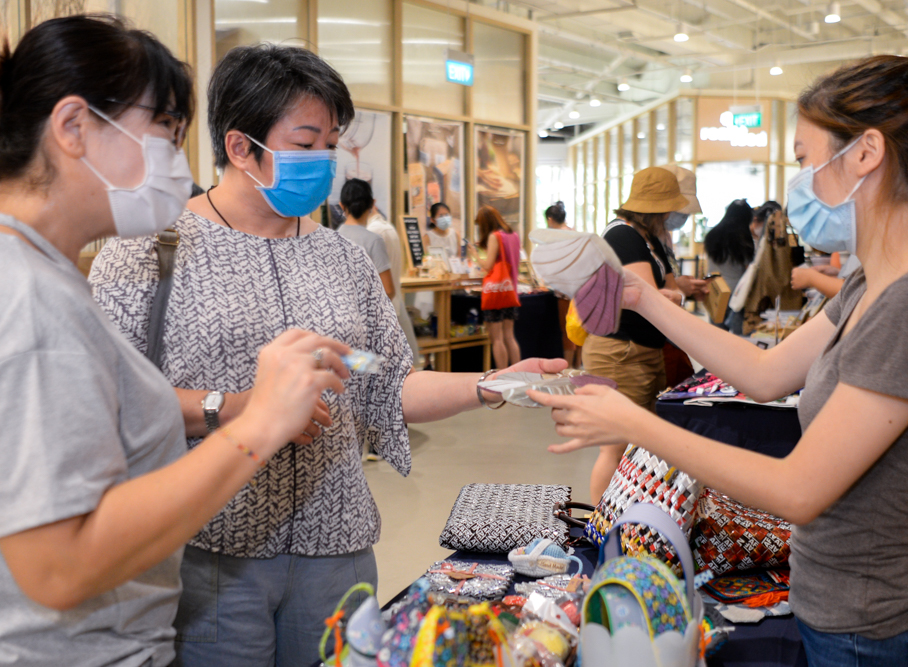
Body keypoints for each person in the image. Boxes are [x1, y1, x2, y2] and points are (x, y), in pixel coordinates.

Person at [89, 43, 565, 667]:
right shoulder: (150, 252)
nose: (323, 161)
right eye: (306, 143)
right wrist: (239, 408)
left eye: (331, 144)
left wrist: (494, 383)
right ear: (240, 147)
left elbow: (381, 378)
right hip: (210, 551)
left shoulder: (342, 259)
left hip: (335, 548)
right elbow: (107, 399)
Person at [532, 47, 908, 666]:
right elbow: (764, 372)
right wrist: (640, 297)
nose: (800, 184)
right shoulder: (873, 283)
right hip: (838, 609)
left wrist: (637, 425)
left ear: (866, 153)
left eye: (805, 160)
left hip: (876, 628)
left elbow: (798, 489)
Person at [0, 16, 354, 666]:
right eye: (163, 130)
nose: (175, 162)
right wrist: (260, 422)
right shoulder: (27, 294)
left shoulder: (45, 275)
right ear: (73, 126)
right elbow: (58, 565)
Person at [583, 166, 695, 503]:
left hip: (643, 351)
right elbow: (650, 299)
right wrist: (671, 296)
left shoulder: (649, 239)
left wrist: (673, 294)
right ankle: (598, 523)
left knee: (641, 445)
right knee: (614, 446)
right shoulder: (623, 236)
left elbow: (668, 289)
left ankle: (626, 517)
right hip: (619, 353)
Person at [368, 205, 421, 363]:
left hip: (383, 309)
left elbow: (386, 285)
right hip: (394, 305)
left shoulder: (374, 232)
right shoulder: (387, 228)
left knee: (385, 364)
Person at [474, 205, 522, 369]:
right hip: (510, 291)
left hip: (496, 293)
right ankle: (517, 373)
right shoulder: (513, 234)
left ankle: (502, 374)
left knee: (497, 339)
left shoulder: (494, 236)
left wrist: (475, 254)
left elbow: (487, 265)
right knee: (510, 336)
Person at [338, 178, 394, 300]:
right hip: (365, 311)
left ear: (341, 205)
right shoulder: (374, 241)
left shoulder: (331, 239)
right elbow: (388, 290)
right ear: (372, 204)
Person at [704, 199, 755, 333]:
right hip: (737, 294)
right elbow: (749, 269)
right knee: (737, 337)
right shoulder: (744, 238)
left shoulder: (712, 235)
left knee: (717, 335)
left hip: (715, 290)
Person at [544, 201, 581, 367]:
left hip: (566, 289)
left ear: (550, 219)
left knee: (567, 330)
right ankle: (577, 366)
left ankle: (568, 368)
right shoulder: (574, 233)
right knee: (579, 329)